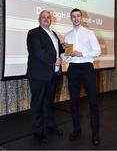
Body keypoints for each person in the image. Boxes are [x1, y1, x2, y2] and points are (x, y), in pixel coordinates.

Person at [64, 8, 101, 145]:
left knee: (93, 101)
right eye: (73, 16)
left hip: (86, 68)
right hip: (73, 69)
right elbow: (66, 58)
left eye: (78, 16)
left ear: (81, 18)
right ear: (71, 18)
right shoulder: (67, 35)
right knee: (74, 102)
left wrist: (82, 54)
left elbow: (97, 51)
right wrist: (66, 54)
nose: (76, 18)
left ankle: (95, 132)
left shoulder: (89, 33)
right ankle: (76, 129)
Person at [26, 10, 64, 143]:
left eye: (48, 17)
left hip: (53, 74)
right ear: (39, 19)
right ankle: (38, 131)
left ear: (51, 20)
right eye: (43, 17)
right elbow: (37, 51)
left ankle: (49, 126)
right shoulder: (34, 33)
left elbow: (56, 49)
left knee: (49, 103)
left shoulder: (53, 34)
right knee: (38, 103)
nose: (46, 19)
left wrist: (64, 47)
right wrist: (54, 60)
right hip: (39, 75)